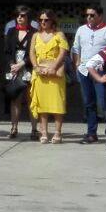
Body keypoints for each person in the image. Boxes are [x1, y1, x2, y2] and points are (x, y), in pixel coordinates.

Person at [72, 6, 106, 144]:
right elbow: (76, 48)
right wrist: (77, 64)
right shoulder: (81, 30)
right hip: (84, 70)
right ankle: (91, 133)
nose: (89, 18)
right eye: (87, 15)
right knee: (88, 103)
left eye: (92, 15)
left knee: (105, 103)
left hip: (101, 71)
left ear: (100, 15)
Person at [28, 10, 69, 143]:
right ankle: (44, 132)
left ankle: (57, 133)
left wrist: (53, 67)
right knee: (42, 105)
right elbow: (32, 53)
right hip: (40, 72)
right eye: (41, 20)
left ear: (52, 21)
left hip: (55, 72)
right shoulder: (35, 35)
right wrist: (36, 67)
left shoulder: (59, 34)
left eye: (46, 20)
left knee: (57, 103)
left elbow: (63, 53)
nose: (43, 22)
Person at [0, 6, 34, 139]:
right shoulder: (11, 32)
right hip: (13, 68)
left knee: (31, 99)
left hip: (28, 67)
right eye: (18, 15)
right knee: (15, 99)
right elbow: (7, 51)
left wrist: (22, 63)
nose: (20, 18)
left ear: (28, 18)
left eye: (23, 15)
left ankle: (34, 129)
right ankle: (14, 128)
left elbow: (35, 52)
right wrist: (12, 64)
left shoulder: (34, 33)